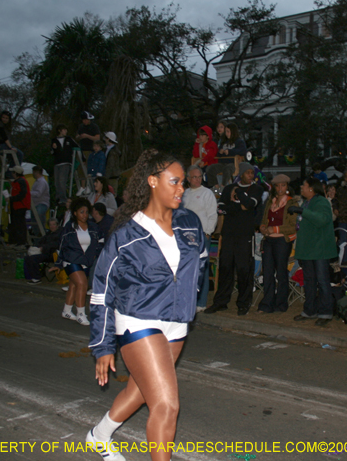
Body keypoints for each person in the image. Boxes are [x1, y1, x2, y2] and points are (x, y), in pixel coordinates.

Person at [86, 149, 206, 461]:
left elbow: (200, 263)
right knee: (166, 405)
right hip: (139, 321)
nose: (182, 188)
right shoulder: (126, 236)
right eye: (175, 181)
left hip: (177, 323)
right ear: (153, 181)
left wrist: (188, 293)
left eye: (184, 183)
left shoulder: (190, 223)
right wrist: (103, 344)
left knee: (139, 392)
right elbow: (101, 291)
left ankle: (98, 436)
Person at [206, 163, 262, 315]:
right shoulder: (228, 188)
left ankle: (243, 303)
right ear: (241, 174)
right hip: (229, 234)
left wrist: (239, 194)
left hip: (245, 235)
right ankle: (220, 302)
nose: (251, 175)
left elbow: (250, 205)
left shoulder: (256, 189)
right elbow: (220, 208)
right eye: (248, 173)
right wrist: (239, 206)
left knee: (244, 269)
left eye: (252, 173)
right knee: (225, 268)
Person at [289, 178, 337, 326]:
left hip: (319, 250)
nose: (301, 187)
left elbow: (323, 219)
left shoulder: (321, 202)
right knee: (309, 281)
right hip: (308, 250)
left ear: (311, 189)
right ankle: (310, 310)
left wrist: (302, 211)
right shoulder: (307, 202)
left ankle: (326, 312)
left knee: (322, 281)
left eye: (304, 184)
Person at [50, 198, 103, 326]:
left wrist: (97, 254)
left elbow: (100, 242)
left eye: (86, 212)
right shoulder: (69, 227)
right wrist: (58, 263)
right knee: (82, 284)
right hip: (71, 260)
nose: (84, 215)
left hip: (85, 261)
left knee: (74, 285)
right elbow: (62, 245)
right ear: (75, 213)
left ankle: (67, 310)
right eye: (81, 212)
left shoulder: (93, 227)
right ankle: (81, 314)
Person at [258, 174, 298, 314]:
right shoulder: (270, 201)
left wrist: (274, 229)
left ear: (287, 187)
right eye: (277, 185)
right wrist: (262, 227)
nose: (280, 188)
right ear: (274, 187)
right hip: (269, 240)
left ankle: (281, 303)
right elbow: (264, 219)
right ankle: (267, 303)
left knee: (281, 273)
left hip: (282, 240)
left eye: (283, 185)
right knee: (268, 272)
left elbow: (292, 226)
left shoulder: (292, 203)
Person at [181, 165, 218, 312]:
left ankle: (201, 303)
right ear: (188, 179)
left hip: (201, 235)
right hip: (185, 236)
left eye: (199, 177)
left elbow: (212, 214)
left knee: (201, 268)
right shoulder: (184, 193)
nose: (197, 179)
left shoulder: (206, 193)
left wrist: (208, 232)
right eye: (194, 177)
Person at [207, 123, 246, 187]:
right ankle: (215, 186)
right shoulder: (224, 142)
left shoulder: (239, 141)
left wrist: (230, 152)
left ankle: (223, 186)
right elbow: (218, 154)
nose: (226, 133)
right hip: (223, 162)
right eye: (226, 132)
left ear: (233, 132)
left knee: (227, 169)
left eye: (228, 131)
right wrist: (220, 152)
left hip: (234, 163)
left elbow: (243, 151)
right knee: (210, 168)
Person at [25, 218, 62, 284]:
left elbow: (56, 244)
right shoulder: (49, 233)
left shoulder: (60, 234)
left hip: (53, 254)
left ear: (57, 225)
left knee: (33, 259)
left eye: (54, 224)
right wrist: (36, 247)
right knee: (28, 257)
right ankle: (34, 276)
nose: (52, 226)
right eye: (50, 225)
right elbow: (41, 241)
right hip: (45, 252)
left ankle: (37, 278)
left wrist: (43, 247)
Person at [51, 124, 79, 205]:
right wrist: (54, 148)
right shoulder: (54, 140)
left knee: (62, 180)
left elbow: (77, 146)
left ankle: (63, 199)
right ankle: (58, 198)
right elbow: (52, 152)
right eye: (64, 130)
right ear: (60, 130)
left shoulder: (69, 139)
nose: (66, 131)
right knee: (57, 182)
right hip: (57, 163)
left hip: (66, 162)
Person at [6, 166, 31, 246]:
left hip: (20, 206)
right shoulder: (19, 181)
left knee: (19, 224)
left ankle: (21, 241)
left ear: (16, 173)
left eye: (13, 172)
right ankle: (16, 240)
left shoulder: (21, 181)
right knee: (17, 223)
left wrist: (11, 199)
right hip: (17, 205)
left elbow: (22, 194)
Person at [30, 165, 50, 229]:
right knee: (34, 222)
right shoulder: (37, 182)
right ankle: (37, 234)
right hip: (35, 204)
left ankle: (42, 231)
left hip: (41, 203)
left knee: (39, 219)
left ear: (36, 172)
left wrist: (28, 193)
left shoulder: (41, 182)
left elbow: (38, 193)